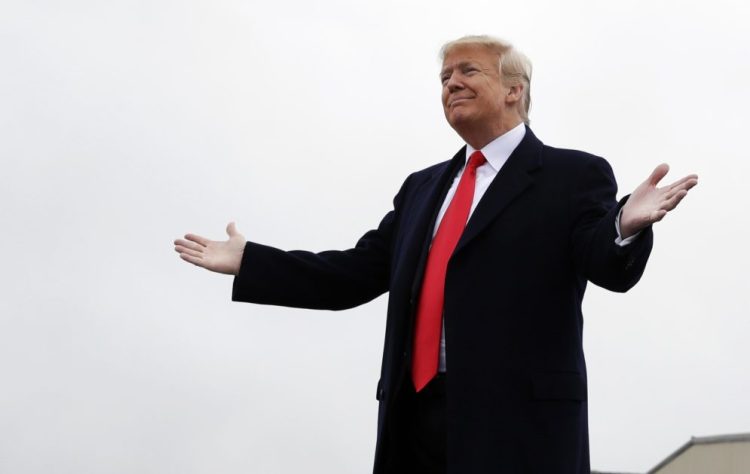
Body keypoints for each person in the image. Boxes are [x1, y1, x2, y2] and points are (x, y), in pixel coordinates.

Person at [174, 35, 697, 474]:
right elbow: (354, 273)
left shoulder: (572, 175)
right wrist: (253, 261)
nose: (451, 83)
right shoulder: (423, 188)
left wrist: (624, 224)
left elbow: (602, 262)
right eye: (444, 77)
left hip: (517, 425)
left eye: (468, 71)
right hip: (414, 419)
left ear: (515, 89)